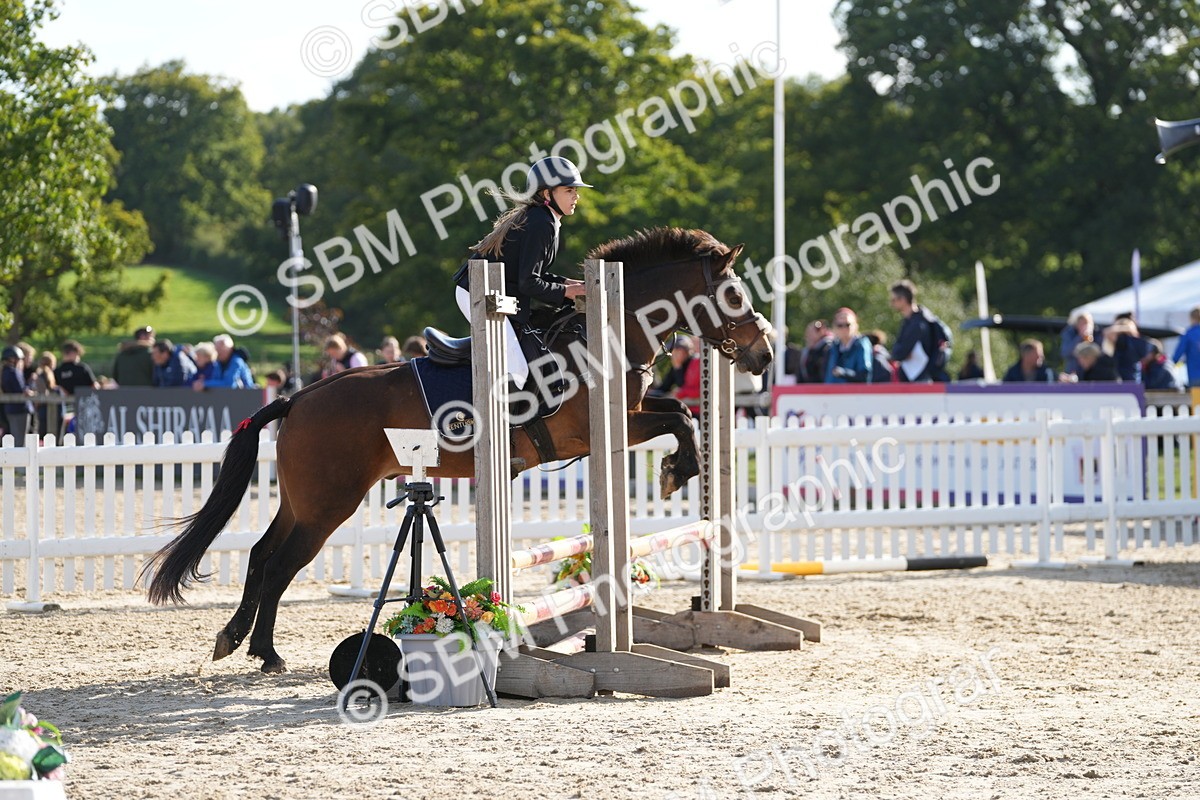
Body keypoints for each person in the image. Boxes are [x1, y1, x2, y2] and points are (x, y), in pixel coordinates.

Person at [452, 156, 590, 389]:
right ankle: (498, 423)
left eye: (575, 190)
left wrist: (569, 283)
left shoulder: (545, 219)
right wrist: (566, 292)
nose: (576, 195)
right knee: (518, 369)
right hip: (478, 294)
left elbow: (536, 274)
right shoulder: (541, 223)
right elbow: (529, 284)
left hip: (494, 294)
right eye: (569, 190)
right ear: (547, 194)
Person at [889, 280, 950, 382]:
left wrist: (899, 353)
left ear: (903, 299)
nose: (892, 303)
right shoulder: (913, 320)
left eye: (893, 299)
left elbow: (899, 353)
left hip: (920, 378)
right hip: (916, 376)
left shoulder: (918, 323)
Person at [824, 308, 872, 384]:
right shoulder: (833, 348)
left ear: (855, 326)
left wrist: (844, 373)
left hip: (855, 393)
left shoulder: (861, 344)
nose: (844, 329)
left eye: (848, 325)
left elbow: (865, 375)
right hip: (834, 393)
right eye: (840, 325)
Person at [1104, 314, 1149, 383]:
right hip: (1127, 380)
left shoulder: (1131, 341)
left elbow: (1107, 332)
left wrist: (1125, 328)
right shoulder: (1136, 342)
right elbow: (1107, 332)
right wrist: (1127, 328)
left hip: (1128, 380)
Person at [1, 346, 34, 439]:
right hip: (21, 409)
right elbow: (22, 389)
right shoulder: (14, 372)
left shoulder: (3, 372)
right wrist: (30, 384)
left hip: (9, 408)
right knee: (20, 439)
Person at [1172, 305, 1200, 387]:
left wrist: (1172, 363)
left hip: (1194, 375)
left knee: (1197, 399)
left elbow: (1177, 354)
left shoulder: (1188, 334)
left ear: (1191, 318)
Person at [1060, 311, 1093, 376]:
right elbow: (1065, 353)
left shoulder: (1097, 333)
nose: (1084, 326)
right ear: (1077, 325)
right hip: (1073, 373)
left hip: (1092, 373)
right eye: (1081, 324)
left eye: (1086, 324)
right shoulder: (1069, 333)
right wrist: (1079, 337)